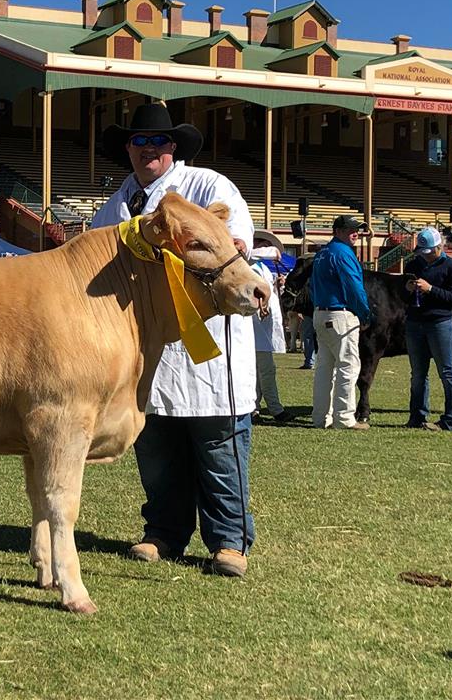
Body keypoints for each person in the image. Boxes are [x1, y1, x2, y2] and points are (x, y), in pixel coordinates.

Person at [91, 103, 256, 577]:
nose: (149, 150)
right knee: (157, 452)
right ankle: (164, 532)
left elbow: (233, 251)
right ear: (128, 148)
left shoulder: (208, 188)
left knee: (218, 449)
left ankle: (230, 542)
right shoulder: (115, 205)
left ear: (173, 149)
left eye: (159, 142)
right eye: (140, 141)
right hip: (147, 351)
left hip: (207, 348)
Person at [310, 215, 371, 430]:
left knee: (324, 369)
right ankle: (344, 418)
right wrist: (364, 313)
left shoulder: (322, 253)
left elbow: (313, 287)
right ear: (338, 231)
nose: (355, 233)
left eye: (356, 230)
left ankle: (320, 417)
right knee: (348, 366)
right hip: (340, 315)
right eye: (350, 230)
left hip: (320, 313)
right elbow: (354, 286)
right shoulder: (343, 254)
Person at [404, 226, 452, 431]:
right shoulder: (413, 265)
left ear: (440, 246)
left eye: (429, 252)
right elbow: (403, 298)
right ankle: (417, 416)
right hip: (414, 323)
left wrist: (431, 290)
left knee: (447, 372)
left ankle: (451, 419)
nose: (425, 257)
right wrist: (408, 290)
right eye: (422, 252)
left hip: (440, 324)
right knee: (418, 373)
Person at [250, 233, 294, 423]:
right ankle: (276, 409)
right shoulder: (247, 261)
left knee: (260, 371)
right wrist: (271, 250)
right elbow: (258, 253)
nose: (266, 247)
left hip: (264, 325)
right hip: (254, 325)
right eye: (263, 243)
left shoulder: (264, 270)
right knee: (265, 370)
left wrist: (279, 286)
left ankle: (254, 408)